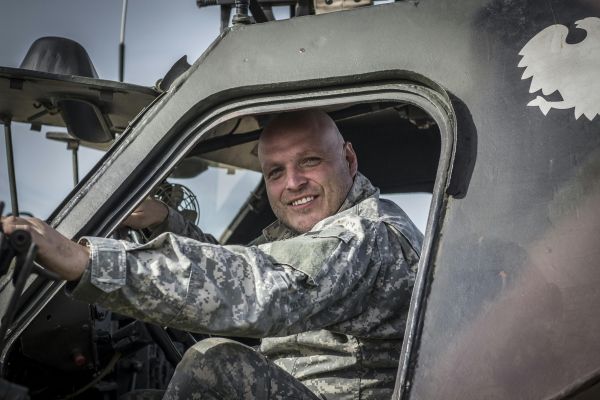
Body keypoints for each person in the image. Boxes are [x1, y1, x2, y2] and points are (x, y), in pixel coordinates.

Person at [2, 109, 423, 399]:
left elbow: (260, 287)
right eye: (275, 171)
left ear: (348, 159)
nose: (293, 182)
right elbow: (243, 262)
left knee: (212, 363)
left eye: (309, 162)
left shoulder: (367, 237)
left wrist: (89, 263)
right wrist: (166, 222)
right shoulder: (321, 229)